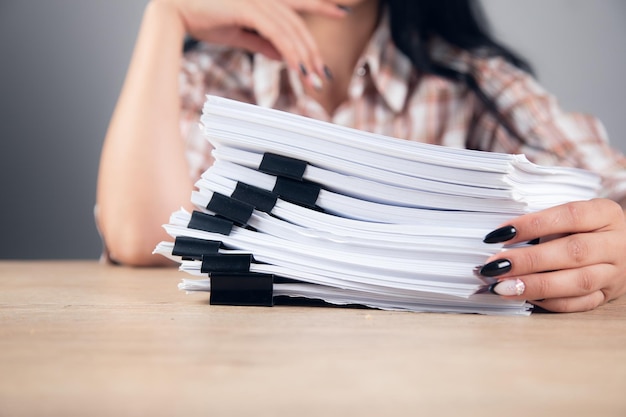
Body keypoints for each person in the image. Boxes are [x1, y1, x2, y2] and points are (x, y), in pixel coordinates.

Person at [96, 0, 626, 313]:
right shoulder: (210, 82)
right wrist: (165, 15)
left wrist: (609, 248)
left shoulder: (472, 84)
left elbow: (611, 192)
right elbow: (139, 238)